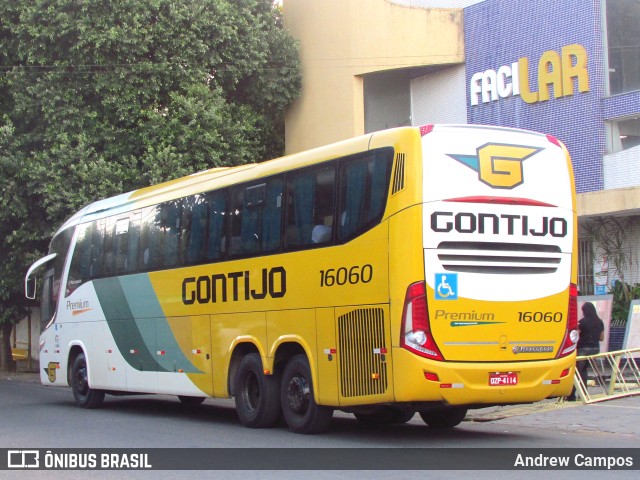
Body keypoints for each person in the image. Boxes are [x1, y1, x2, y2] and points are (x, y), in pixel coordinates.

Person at [566, 302, 605, 401]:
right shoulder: (599, 322)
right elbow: (601, 338)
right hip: (595, 349)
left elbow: (575, 336)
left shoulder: (581, 322)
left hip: (583, 349)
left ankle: (571, 395)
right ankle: (584, 393)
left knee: (576, 372)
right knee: (584, 370)